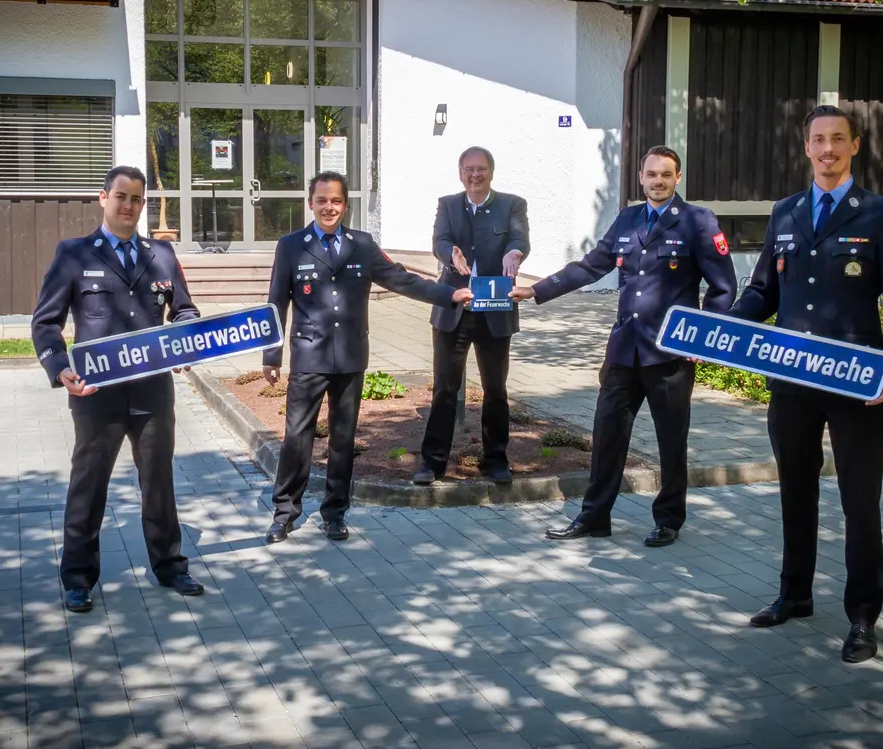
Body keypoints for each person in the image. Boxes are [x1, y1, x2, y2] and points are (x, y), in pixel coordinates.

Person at [727, 104, 883, 664]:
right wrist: (721, 326)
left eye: (838, 139)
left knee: (860, 500)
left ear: (855, 146)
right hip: (791, 381)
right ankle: (795, 595)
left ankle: (863, 617)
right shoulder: (785, 212)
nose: (827, 150)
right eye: (818, 140)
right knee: (796, 490)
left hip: (855, 383)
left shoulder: (881, 214)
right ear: (807, 147)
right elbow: (762, 291)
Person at [510, 146, 736, 548]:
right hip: (623, 351)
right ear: (641, 177)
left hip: (670, 354)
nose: (658, 181)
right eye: (651, 174)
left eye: (666, 174)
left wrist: (702, 337)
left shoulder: (697, 221)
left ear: (677, 178)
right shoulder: (628, 218)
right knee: (607, 435)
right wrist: (537, 290)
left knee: (671, 440)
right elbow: (591, 265)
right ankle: (595, 516)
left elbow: (723, 287)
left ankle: (668, 519)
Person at [262, 172, 473, 543]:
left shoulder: (361, 244)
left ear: (346, 205)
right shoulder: (291, 245)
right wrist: (271, 355)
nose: (329, 207)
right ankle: (285, 512)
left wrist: (448, 295)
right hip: (309, 356)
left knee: (343, 439)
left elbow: (401, 279)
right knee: (297, 437)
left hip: (350, 357)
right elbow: (276, 302)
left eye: (337, 201)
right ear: (310, 203)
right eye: (322, 200)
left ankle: (335, 513)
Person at [32, 165, 205, 614]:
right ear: (103, 198)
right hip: (96, 392)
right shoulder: (73, 254)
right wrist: (57, 367)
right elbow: (46, 321)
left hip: (152, 391)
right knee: (88, 484)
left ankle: (170, 565)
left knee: (159, 481)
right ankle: (77, 579)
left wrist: (188, 335)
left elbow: (184, 311)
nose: (128, 206)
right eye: (121, 197)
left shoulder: (161, 255)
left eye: (136, 200)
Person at [415, 146, 531, 485]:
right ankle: (432, 463)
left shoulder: (512, 204)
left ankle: (495, 460)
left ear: (491, 172)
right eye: (469, 169)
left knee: (495, 389)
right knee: (445, 388)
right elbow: (440, 239)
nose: (475, 175)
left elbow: (520, 237)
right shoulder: (448, 204)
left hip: (494, 311)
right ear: (460, 172)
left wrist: (516, 251)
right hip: (455, 310)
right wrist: (450, 254)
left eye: (481, 169)